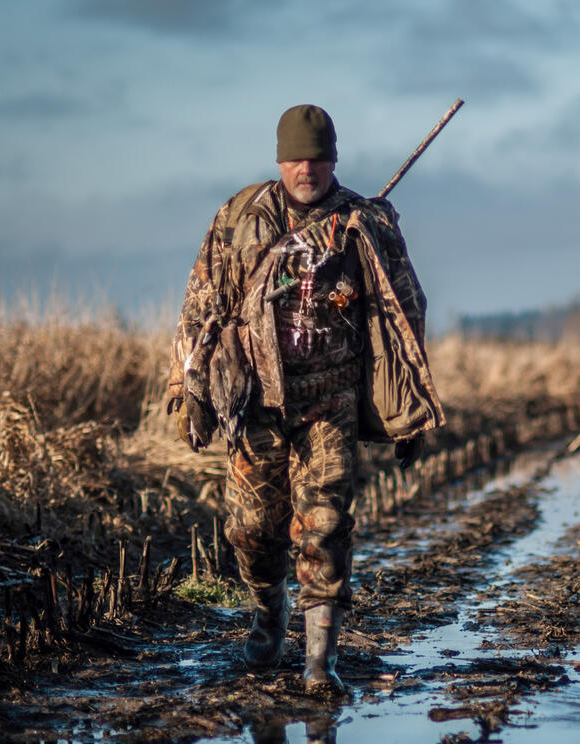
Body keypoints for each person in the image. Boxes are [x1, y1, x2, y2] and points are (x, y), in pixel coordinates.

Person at [166, 104, 444, 694]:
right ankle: (270, 614)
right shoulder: (241, 217)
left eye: (317, 158)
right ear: (280, 160)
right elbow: (201, 303)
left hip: (330, 403)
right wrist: (190, 388)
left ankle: (320, 663)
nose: (306, 169)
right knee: (250, 529)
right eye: (296, 158)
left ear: (333, 160)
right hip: (255, 402)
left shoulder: (363, 221)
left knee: (325, 527)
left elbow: (404, 311)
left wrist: (408, 406)